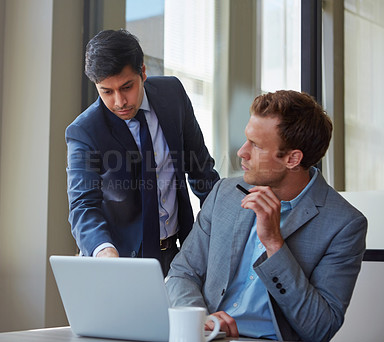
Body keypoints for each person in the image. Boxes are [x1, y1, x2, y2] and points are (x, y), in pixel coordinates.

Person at [166, 90, 367, 341]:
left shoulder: (344, 225)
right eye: (246, 139)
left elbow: (320, 329)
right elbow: (182, 272)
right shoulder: (224, 193)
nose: (242, 152)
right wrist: (200, 318)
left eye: (256, 146)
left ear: (293, 158)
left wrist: (274, 244)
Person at [65, 29, 219, 276]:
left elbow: (202, 172)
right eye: (106, 91)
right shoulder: (84, 132)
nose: (119, 101)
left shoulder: (173, 95)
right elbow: (83, 205)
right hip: (121, 262)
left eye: (127, 87)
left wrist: (217, 234)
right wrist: (104, 251)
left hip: (180, 255)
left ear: (143, 72)